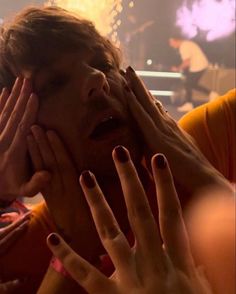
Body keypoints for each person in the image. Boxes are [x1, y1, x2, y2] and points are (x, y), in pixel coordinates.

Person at [0, 6, 234, 293]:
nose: (97, 79)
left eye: (103, 63)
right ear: (13, 127)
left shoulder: (208, 137)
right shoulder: (28, 243)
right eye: (54, 83)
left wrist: (206, 180)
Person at [169, 37, 219, 112]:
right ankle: (212, 94)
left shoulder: (183, 47)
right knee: (191, 84)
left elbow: (187, 62)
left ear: (176, 40)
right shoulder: (187, 44)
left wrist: (178, 68)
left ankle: (189, 104)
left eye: (171, 42)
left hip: (198, 66)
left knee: (188, 83)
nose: (171, 45)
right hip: (200, 65)